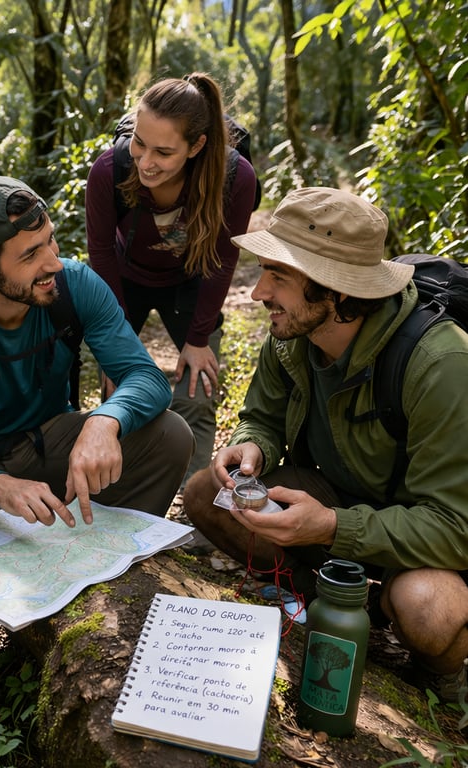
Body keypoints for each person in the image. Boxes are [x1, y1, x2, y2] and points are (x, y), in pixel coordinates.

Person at [182, 187, 468, 702]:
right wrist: (251, 446)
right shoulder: (293, 334)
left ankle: (438, 682)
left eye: (279, 276)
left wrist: (333, 526)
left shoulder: (441, 365)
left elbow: (454, 527)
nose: (258, 293)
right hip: (334, 497)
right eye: (263, 271)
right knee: (207, 494)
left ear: (335, 290)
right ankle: (320, 599)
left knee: (429, 608)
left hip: (420, 535)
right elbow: (262, 418)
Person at [0, 175, 194, 638]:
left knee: (170, 435)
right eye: (30, 255)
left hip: (50, 440)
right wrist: (0, 487)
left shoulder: (75, 285)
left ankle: (105, 558)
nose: (53, 261)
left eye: (50, 240)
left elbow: (146, 377)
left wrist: (105, 421)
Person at [86, 72, 257, 484]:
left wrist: (197, 340)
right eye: (139, 143)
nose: (146, 162)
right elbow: (101, 254)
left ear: (196, 147)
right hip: (124, 279)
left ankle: (195, 496)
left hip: (192, 277)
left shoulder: (236, 178)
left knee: (197, 393)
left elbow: (222, 259)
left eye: (163, 152)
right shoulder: (109, 170)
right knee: (115, 389)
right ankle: (118, 485)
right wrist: (115, 340)